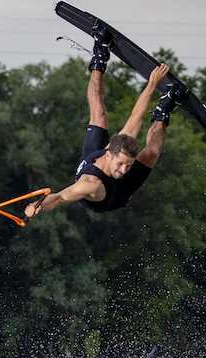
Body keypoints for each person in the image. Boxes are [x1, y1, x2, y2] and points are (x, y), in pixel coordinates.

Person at [24, 33, 183, 219]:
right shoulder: (90, 183)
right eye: (121, 164)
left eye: (128, 165)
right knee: (151, 153)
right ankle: (163, 112)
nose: (124, 170)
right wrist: (38, 205)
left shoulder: (118, 149)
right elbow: (59, 198)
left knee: (99, 115)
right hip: (115, 196)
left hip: (94, 160)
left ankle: (99, 56)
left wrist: (153, 84)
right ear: (108, 153)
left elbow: (136, 115)